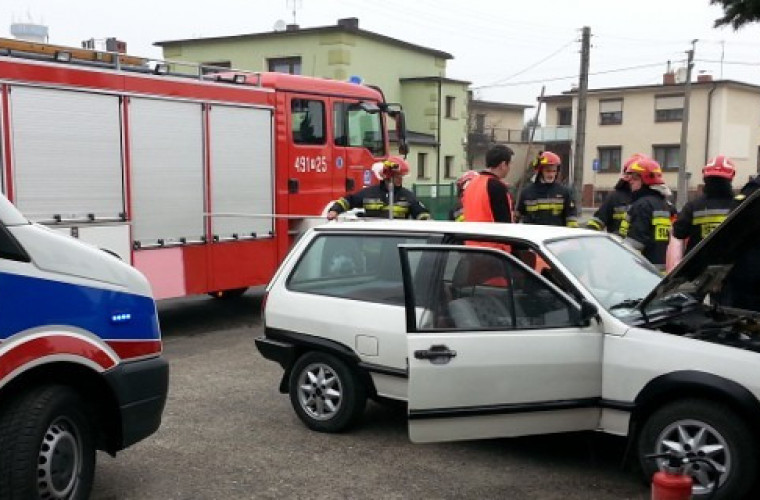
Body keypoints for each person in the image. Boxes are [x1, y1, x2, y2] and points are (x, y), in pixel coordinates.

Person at [326, 156, 430, 220]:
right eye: (398, 177)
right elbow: (348, 201)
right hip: (370, 249)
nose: (400, 180)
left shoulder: (407, 196)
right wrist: (335, 211)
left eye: (401, 177)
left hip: (395, 245)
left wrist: (425, 219)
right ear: (388, 175)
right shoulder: (369, 193)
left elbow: (420, 212)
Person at [619, 155, 675, 272]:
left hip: (643, 270)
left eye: (635, 179)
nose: (631, 182)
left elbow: (636, 243)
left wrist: (617, 251)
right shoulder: (665, 204)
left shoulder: (642, 205)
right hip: (662, 269)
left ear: (645, 180)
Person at [673, 155, 736, 255]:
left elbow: (679, 232)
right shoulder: (739, 205)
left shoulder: (693, 206)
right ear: (731, 177)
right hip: (730, 264)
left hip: (697, 265)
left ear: (705, 178)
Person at [516, 151, 578, 227]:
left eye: (554, 171)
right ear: (540, 171)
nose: (551, 174)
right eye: (548, 171)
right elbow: (517, 217)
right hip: (533, 236)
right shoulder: (526, 193)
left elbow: (571, 217)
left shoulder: (564, 192)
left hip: (556, 237)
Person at [585, 155, 638, 233]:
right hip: (617, 243)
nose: (632, 179)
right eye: (630, 174)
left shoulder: (651, 200)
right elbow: (598, 220)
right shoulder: (615, 197)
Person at [461, 145, 515, 223]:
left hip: (471, 233)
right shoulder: (497, 186)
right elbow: (504, 221)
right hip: (491, 233)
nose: (510, 168)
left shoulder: (471, 183)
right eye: (509, 164)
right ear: (503, 165)